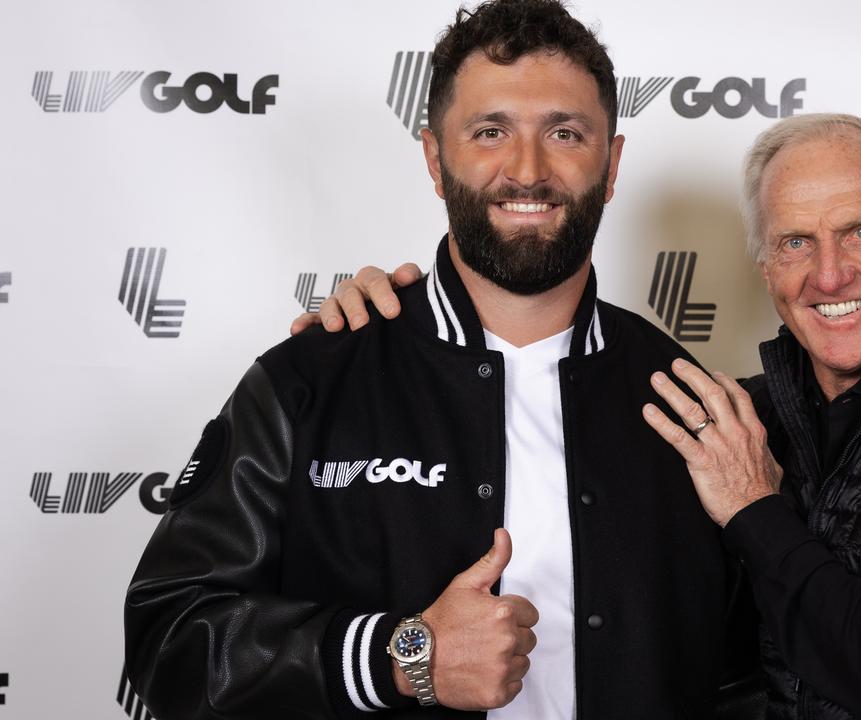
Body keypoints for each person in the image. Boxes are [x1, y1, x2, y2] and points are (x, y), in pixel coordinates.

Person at [320, 114, 861, 720]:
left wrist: (754, 509)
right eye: (795, 241)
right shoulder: (732, 413)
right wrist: (388, 336)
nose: (828, 272)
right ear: (764, 264)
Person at [124, 2, 755, 718]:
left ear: (610, 165)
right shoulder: (311, 379)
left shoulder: (691, 403)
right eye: (491, 132)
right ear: (434, 158)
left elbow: (750, 674)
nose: (527, 169)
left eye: (566, 132)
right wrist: (400, 655)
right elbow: (169, 640)